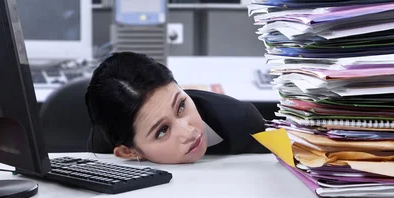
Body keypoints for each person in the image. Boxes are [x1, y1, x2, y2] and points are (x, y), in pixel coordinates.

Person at [85, 52, 269, 164]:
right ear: (129, 152)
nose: (189, 132)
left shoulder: (243, 121)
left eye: (181, 105)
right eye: (162, 131)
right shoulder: (105, 148)